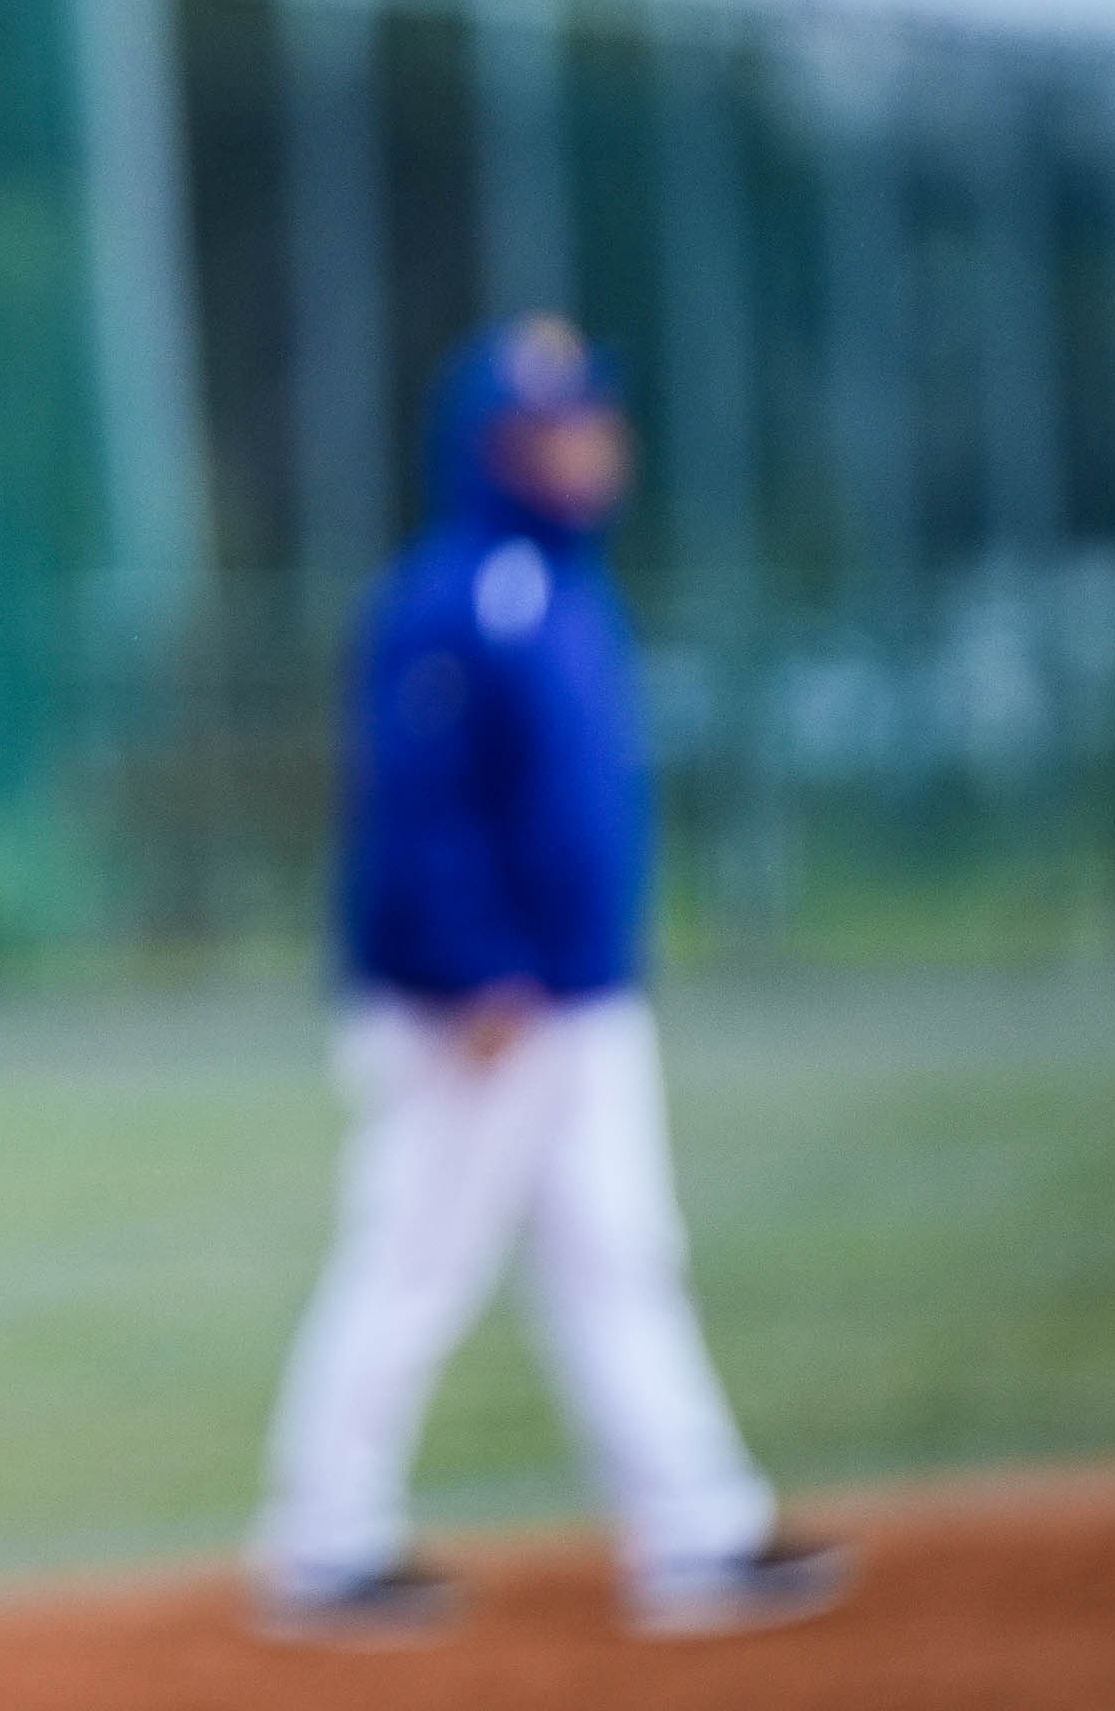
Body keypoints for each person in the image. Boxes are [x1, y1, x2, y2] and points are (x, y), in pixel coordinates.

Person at [247, 313, 849, 1644]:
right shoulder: (460, 595)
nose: (592, 446)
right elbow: (417, 810)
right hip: (483, 1009)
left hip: (581, 996)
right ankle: (323, 1541)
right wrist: (473, 972)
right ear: (497, 447)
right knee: (413, 1266)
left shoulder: (567, 591)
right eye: (559, 427)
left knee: (622, 1261)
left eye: (592, 420)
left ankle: (698, 1531)